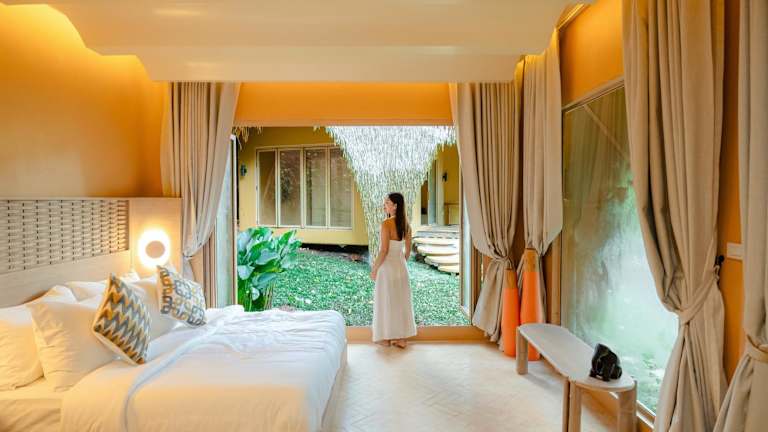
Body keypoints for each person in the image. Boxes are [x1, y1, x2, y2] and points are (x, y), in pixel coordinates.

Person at [370, 192, 417, 348]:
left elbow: (384, 251)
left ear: (395, 205)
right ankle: (401, 338)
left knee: (386, 301)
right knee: (400, 302)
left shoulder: (386, 224)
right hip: (401, 267)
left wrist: (374, 268)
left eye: (387, 203)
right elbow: (408, 252)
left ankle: (385, 338)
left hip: (387, 268)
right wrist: (400, 262)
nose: (384, 205)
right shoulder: (407, 225)